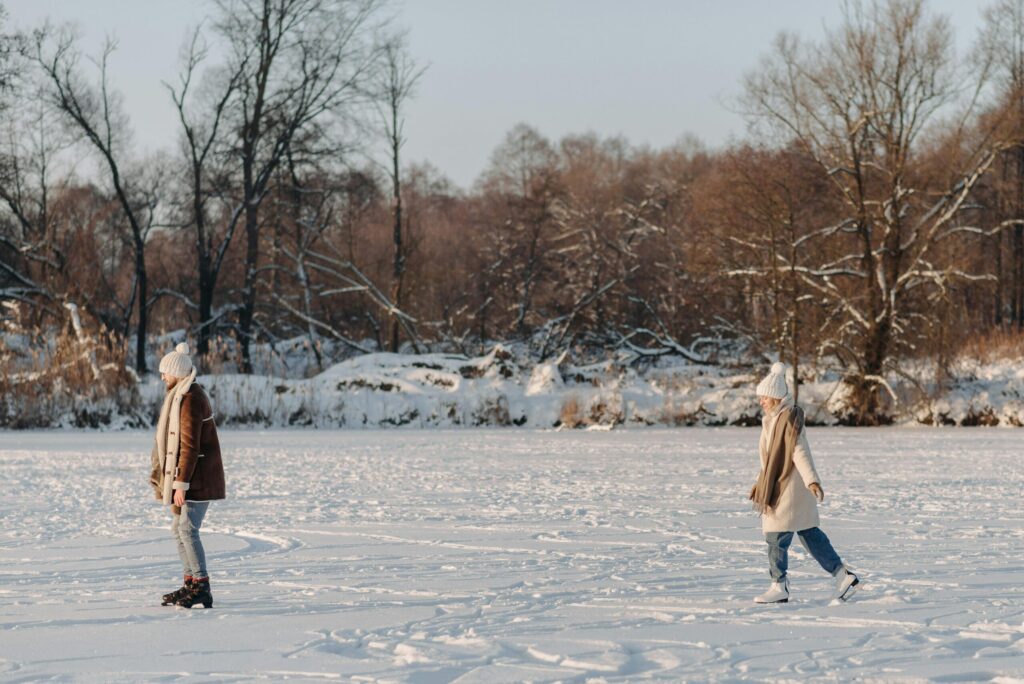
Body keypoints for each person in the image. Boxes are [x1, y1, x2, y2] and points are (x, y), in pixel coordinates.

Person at [748, 362, 859, 604]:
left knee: (775, 536)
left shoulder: (788, 420)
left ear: (776, 397)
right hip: (785, 487)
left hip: (789, 489)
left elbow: (800, 451)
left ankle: (779, 586)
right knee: (809, 534)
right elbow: (770, 461)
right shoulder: (775, 419)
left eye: (764, 397)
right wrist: (760, 483)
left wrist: (812, 481)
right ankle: (842, 575)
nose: (761, 402)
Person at [149, 342, 225, 609]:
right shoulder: (180, 395)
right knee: (178, 529)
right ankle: (190, 583)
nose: (162, 377)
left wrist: (180, 484)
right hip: (192, 477)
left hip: (198, 479)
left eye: (165, 373)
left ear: (177, 373)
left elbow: (190, 446)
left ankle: (201, 586)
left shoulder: (191, 399)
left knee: (187, 529)